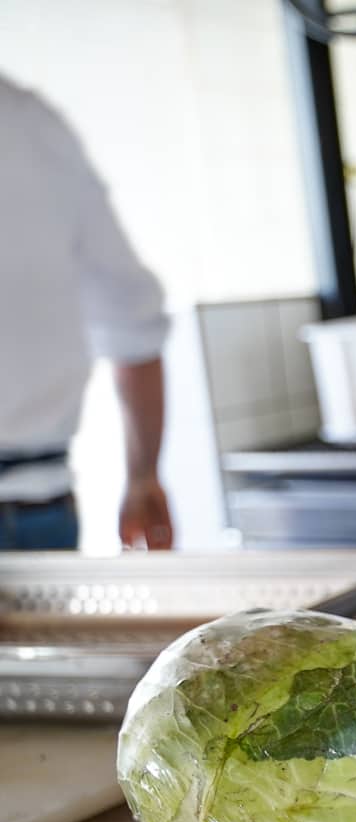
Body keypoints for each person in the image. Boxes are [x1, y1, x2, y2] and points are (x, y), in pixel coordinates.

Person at [1, 73, 172, 551]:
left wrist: (142, 476)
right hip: (36, 514)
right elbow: (132, 322)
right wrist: (142, 475)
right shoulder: (29, 121)